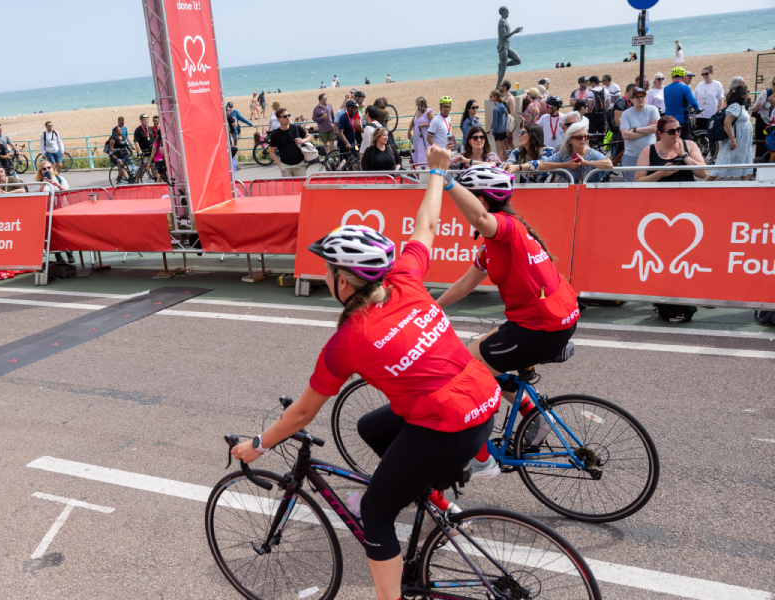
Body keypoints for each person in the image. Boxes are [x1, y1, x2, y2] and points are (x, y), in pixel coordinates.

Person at [231, 144, 499, 600]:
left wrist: (258, 445)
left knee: (375, 511)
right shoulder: (405, 279)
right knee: (371, 426)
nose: (325, 278)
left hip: (449, 424)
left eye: (329, 271)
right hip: (481, 401)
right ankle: (432, 496)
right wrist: (437, 173)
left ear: (344, 281)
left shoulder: (350, 339)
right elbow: (427, 225)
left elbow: (302, 414)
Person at [436, 163, 579, 478]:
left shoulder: (505, 227)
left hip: (539, 328)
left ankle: (481, 460)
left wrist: (445, 179)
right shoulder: (499, 239)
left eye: (468, 197)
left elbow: (480, 219)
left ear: (480, 200)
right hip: (549, 320)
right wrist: (434, 306)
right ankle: (534, 415)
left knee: (464, 374)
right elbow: (467, 282)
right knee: (478, 357)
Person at [517, 121, 611, 183]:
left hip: (592, 193)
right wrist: (566, 164)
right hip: (572, 195)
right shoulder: (564, 154)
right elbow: (541, 165)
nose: (583, 139)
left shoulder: (592, 154)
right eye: (579, 137)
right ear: (570, 140)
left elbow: (609, 164)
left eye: (586, 136)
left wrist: (586, 163)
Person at [634, 116, 707, 182]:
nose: (676, 133)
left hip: (686, 191)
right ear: (660, 134)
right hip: (660, 191)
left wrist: (684, 156)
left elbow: (703, 174)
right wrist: (660, 174)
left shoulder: (690, 145)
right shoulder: (648, 151)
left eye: (679, 129)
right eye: (671, 132)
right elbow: (638, 181)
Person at [707, 85, 754, 181]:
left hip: (743, 143)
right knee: (724, 161)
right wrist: (733, 139)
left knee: (745, 163)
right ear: (743, 93)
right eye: (748, 91)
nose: (749, 93)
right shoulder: (735, 106)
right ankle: (706, 184)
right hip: (736, 139)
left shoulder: (741, 106)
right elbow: (727, 123)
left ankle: (745, 186)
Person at [619, 88, 661, 182]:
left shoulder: (653, 109)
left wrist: (634, 130)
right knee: (631, 186)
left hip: (651, 155)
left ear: (646, 98)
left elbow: (656, 128)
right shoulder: (626, 114)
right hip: (631, 156)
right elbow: (625, 135)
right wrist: (648, 129)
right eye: (637, 97)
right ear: (632, 99)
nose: (640, 99)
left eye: (642, 96)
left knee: (651, 185)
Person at [35, 160, 73, 263]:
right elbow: (37, 193)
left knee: (66, 232)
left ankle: (69, 253)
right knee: (53, 234)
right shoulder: (40, 182)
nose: (47, 170)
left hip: (62, 209)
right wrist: (43, 184)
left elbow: (67, 189)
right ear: (41, 171)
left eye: (49, 168)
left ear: (53, 168)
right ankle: (58, 256)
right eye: (44, 169)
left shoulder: (60, 179)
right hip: (49, 211)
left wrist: (57, 185)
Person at [269, 108, 311, 177]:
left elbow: (309, 136)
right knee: (287, 185)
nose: (288, 117)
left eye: (288, 115)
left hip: (299, 165)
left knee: (301, 184)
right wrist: (279, 164)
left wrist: (303, 140)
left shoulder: (296, 128)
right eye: (285, 116)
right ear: (278, 119)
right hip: (285, 166)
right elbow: (272, 152)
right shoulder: (275, 134)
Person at [664, 67, 699, 141]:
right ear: (683, 77)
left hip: (669, 120)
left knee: (672, 141)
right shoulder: (685, 88)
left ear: (672, 77)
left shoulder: (665, 89)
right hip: (682, 120)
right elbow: (693, 102)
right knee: (686, 141)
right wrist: (697, 109)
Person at [496, 6, 523, 90]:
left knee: (517, 60)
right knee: (503, 69)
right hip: (502, 47)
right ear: (503, 12)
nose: (508, 13)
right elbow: (503, 36)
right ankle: (497, 88)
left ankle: (502, 65)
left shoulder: (505, 21)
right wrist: (514, 31)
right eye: (506, 11)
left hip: (507, 46)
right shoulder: (502, 21)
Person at [693, 66, 724, 132]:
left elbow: (721, 100)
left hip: (712, 116)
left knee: (712, 135)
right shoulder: (699, 85)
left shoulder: (717, 84)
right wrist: (694, 114)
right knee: (700, 135)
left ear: (711, 73)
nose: (704, 76)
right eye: (703, 74)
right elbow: (694, 99)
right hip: (700, 116)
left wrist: (718, 114)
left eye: (706, 74)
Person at [751, 75, 775, 159]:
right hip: (763, 123)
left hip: (773, 125)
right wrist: (757, 106)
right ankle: (760, 163)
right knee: (762, 145)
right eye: (774, 84)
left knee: (772, 147)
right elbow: (753, 109)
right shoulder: (766, 93)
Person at [408, 96, 434, 167]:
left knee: (425, 152)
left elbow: (434, 123)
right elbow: (413, 121)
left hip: (425, 137)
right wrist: (409, 131)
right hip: (418, 137)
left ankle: (430, 170)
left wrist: (424, 125)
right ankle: (422, 171)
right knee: (419, 152)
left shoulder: (429, 112)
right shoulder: (417, 112)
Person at [490, 91, 508, 161]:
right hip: (503, 130)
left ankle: (502, 166)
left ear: (495, 97)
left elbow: (495, 123)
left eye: (491, 96)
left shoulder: (495, 109)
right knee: (503, 150)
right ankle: (505, 163)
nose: (489, 97)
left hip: (498, 131)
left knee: (499, 151)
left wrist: (493, 132)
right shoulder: (502, 106)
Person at [499, 80, 517, 151]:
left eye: (500, 86)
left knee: (510, 142)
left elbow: (512, 112)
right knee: (504, 143)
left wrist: (507, 125)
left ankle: (516, 155)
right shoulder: (504, 97)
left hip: (507, 125)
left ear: (505, 87)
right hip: (502, 125)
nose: (499, 87)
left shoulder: (510, 98)